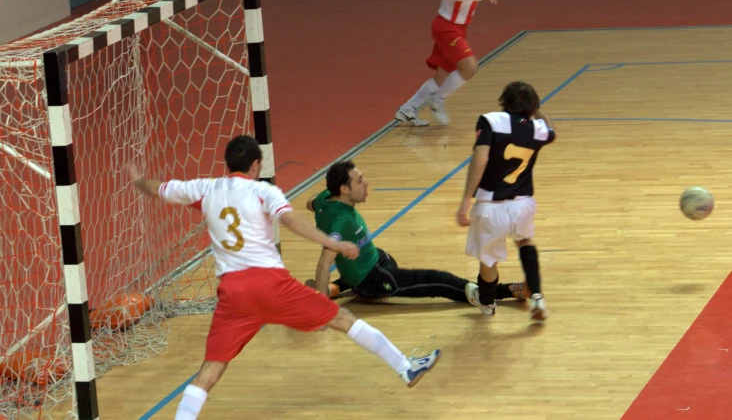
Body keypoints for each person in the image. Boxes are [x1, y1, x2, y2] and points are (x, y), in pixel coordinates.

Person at [127, 135, 441, 420]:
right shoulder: (264, 191)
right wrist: (333, 243)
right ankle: (405, 367)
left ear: (229, 164)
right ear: (255, 165)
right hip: (270, 285)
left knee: (210, 370)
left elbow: (157, 188)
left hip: (233, 296)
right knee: (342, 319)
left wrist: (137, 179)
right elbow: (290, 221)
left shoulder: (205, 188)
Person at [304, 161, 528, 305]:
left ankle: (333, 288)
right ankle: (503, 291)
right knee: (436, 281)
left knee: (388, 259)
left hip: (374, 259)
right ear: (344, 189)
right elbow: (325, 262)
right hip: (371, 279)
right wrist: (322, 312)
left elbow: (309, 203)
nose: (366, 183)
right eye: (360, 181)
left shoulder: (325, 198)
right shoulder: (340, 223)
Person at [395, 0, 550, 126]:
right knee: (470, 67)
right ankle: (438, 98)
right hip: (446, 27)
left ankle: (407, 110)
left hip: (459, 28)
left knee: (442, 75)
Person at [456, 81, 556, 321]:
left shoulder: (491, 121)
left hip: (491, 206)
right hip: (523, 203)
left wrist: (465, 201)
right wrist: (537, 108)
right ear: (531, 107)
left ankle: (488, 303)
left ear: (504, 100)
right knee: (525, 241)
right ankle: (538, 297)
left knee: (488, 260)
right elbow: (551, 129)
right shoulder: (536, 128)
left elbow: (480, 160)